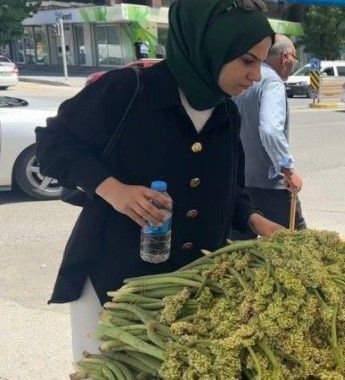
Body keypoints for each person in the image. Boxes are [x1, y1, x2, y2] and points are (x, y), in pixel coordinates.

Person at [35, 0, 283, 361]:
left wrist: (257, 222)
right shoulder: (128, 91)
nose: (256, 76)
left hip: (190, 289)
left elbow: (230, 188)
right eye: (248, 60)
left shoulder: (227, 112)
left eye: (261, 62)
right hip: (114, 286)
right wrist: (112, 189)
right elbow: (53, 145)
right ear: (208, 46)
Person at [233, 34, 305, 234]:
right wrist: (288, 170)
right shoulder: (272, 82)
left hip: (238, 183)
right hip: (269, 188)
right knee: (293, 249)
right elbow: (270, 129)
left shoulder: (242, 79)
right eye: (294, 60)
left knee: (243, 253)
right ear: (286, 58)